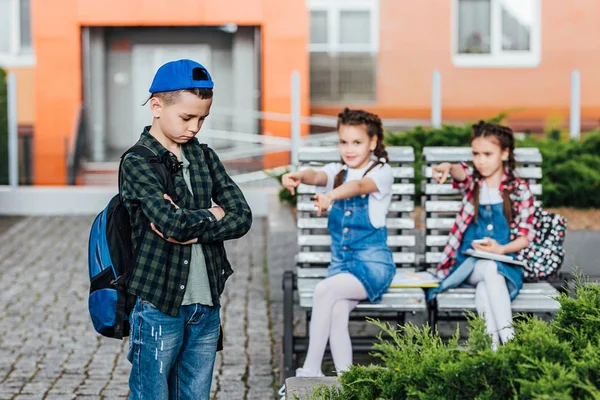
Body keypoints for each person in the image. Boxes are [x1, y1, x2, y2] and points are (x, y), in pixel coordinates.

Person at [121, 59, 252, 399]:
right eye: (186, 117)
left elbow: (242, 216)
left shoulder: (205, 157)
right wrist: (214, 214)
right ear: (156, 106)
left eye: (202, 119)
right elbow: (170, 224)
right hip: (159, 303)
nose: (195, 127)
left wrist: (194, 223)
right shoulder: (137, 162)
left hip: (206, 303)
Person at [282, 108, 395, 377]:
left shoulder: (381, 172)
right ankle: (348, 380)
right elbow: (317, 176)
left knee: (324, 292)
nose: (349, 149)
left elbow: (357, 188)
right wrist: (299, 176)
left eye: (357, 142)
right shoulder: (338, 172)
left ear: (373, 142)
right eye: (343, 142)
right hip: (341, 268)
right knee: (336, 313)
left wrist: (331, 196)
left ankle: (309, 371)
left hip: (372, 267)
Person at [427, 121, 536, 349]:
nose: (480, 160)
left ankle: (495, 352)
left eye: (488, 154)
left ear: (505, 153)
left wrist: (501, 250)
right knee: (488, 269)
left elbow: (525, 236)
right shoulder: (474, 182)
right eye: (476, 154)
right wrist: (448, 165)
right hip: (469, 263)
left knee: (487, 286)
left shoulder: (519, 189)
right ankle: (512, 344)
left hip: (505, 264)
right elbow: (460, 172)